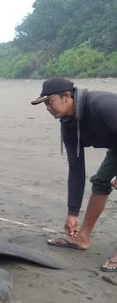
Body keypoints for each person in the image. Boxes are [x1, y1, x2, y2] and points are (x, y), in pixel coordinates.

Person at [31, 77, 117, 272]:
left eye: (49, 101)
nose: (47, 107)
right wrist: (72, 213)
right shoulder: (68, 125)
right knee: (102, 182)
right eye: (44, 104)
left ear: (66, 97)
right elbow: (76, 171)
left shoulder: (100, 105)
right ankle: (82, 238)